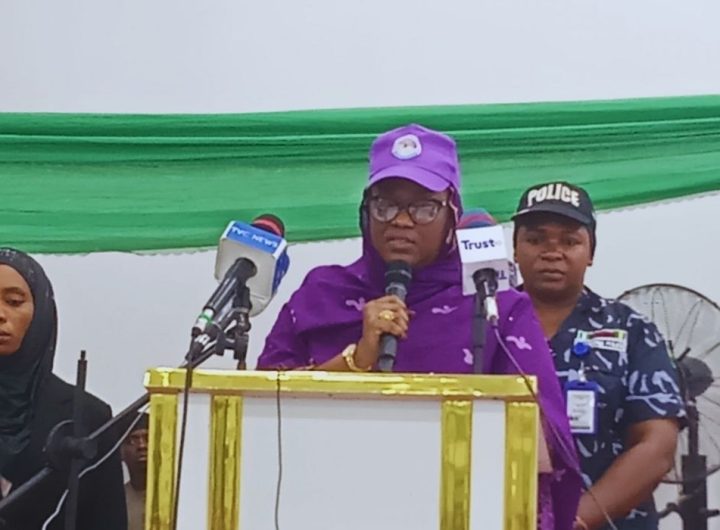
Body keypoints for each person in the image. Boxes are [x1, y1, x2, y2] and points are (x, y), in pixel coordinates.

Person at [257, 124, 583, 529]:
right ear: (365, 211)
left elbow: (544, 447)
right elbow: (257, 415)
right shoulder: (321, 294)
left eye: (424, 207)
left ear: (453, 215)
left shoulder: (495, 306)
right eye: (385, 205)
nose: (402, 221)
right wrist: (356, 361)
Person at [512, 181, 685, 530]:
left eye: (570, 241)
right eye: (535, 239)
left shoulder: (632, 331)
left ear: (591, 252)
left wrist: (575, 519)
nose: (552, 252)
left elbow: (657, 444)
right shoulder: (484, 327)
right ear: (515, 249)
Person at [0, 248, 127, 530]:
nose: (0, 314)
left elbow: (107, 520)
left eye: (14, 301)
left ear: (42, 313)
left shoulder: (86, 416)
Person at [120, 413, 148, 530]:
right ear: (120, 451)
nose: (142, 446)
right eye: (132, 441)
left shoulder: (180, 496)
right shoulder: (117, 501)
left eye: (148, 438)